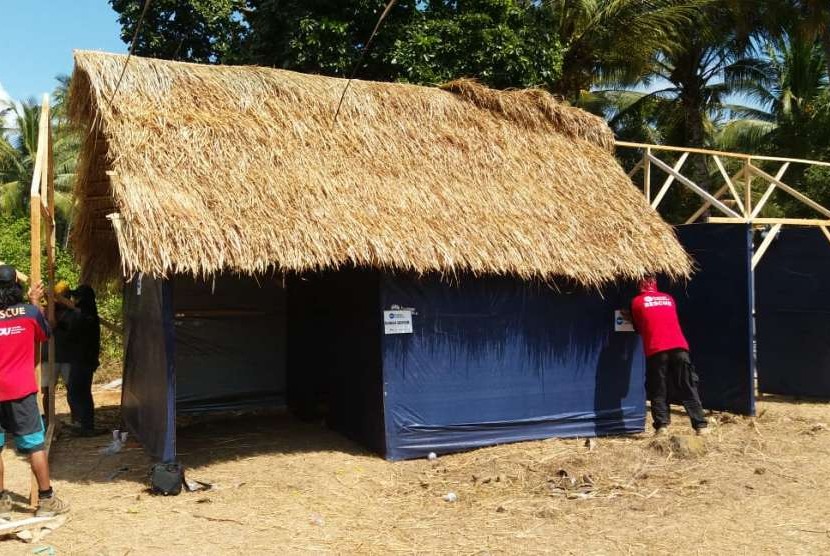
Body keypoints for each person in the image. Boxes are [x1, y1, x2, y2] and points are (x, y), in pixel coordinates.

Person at [0, 264, 69, 517]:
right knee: (35, 446)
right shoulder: (29, 313)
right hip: (20, 390)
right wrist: (35, 300)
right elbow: (46, 331)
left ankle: (0, 502)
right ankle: (46, 499)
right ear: (16, 287)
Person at [629, 276, 709, 437]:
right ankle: (701, 426)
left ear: (639, 286)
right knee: (687, 386)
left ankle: (662, 427)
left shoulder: (637, 302)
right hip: (680, 347)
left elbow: (638, 327)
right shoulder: (669, 298)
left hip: (656, 349)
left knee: (658, 388)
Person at [65, 284, 101, 436]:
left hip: (83, 360)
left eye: (77, 297)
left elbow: (72, 333)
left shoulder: (85, 315)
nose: (74, 299)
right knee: (80, 392)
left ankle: (86, 425)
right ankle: (84, 424)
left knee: (78, 392)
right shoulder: (87, 313)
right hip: (84, 359)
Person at [40, 281, 75, 425]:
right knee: (48, 391)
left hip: (67, 356)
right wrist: (50, 305)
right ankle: (49, 420)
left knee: (71, 389)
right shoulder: (44, 311)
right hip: (49, 357)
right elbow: (50, 324)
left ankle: (76, 418)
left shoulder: (72, 311)